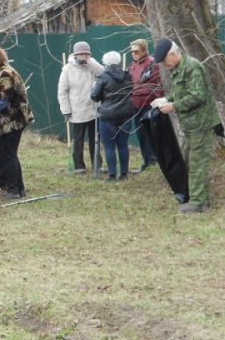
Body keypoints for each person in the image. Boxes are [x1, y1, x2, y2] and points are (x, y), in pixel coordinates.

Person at [151, 38, 220, 213]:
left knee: (197, 164)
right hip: (191, 125)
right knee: (189, 161)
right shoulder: (179, 68)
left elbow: (197, 96)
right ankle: (197, 197)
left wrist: (174, 106)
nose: (164, 64)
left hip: (201, 124)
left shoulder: (192, 67)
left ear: (173, 54)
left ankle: (198, 203)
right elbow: (182, 91)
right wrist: (167, 99)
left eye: (165, 60)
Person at [0, 45, 34, 199]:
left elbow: (1, 103)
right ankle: (19, 188)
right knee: (10, 154)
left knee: (7, 155)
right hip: (6, 122)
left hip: (12, 122)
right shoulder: (0, 73)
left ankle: (13, 190)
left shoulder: (5, 75)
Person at [58, 41, 104, 174]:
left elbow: (103, 73)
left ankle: (97, 164)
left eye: (86, 54)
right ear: (75, 55)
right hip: (77, 109)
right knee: (78, 139)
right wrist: (66, 110)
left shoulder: (92, 65)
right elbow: (62, 91)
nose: (83, 56)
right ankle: (79, 166)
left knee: (94, 138)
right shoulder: (67, 69)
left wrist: (90, 63)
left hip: (93, 108)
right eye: (80, 54)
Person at [91, 51, 134, 181]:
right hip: (126, 114)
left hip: (108, 115)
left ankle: (112, 175)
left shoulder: (103, 77)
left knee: (109, 146)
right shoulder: (127, 76)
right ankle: (124, 174)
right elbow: (132, 90)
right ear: (119, 61)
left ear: (105, 63)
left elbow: (94, 96)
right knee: (123, 144)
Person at [128, 38, 163, 172]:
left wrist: (158, 103)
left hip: (149, 103)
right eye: (132, 52)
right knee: (141, 134)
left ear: (144, 51)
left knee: (152, 133)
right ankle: (146, 160)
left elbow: (158, 85)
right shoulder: (132, 66)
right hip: (135, 104)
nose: (134, 54)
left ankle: (155, 159)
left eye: (136, 51)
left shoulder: (152, 64)